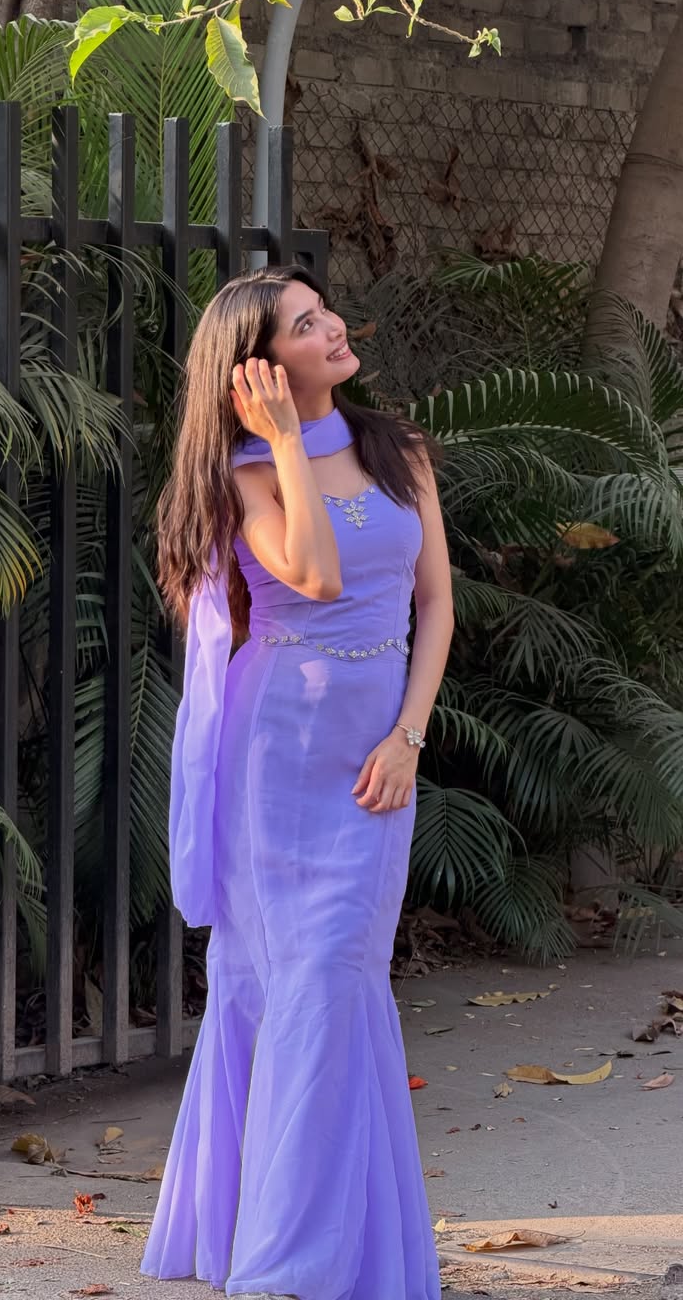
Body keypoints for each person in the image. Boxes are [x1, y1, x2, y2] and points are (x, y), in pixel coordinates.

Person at [141, 264, 455, 1300]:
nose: (334, 329)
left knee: (338, 978)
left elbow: (436, 605)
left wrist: (409, 736)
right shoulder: (245, 473)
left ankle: (324, 1247)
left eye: (326, 313)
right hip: (277, 754)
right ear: (259, 369)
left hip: (377, 758)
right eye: (306, 324)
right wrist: (282, 440)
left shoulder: (399, 448)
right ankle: (281, 1263)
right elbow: (315, 576)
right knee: (284, 982)